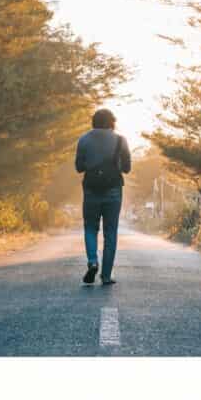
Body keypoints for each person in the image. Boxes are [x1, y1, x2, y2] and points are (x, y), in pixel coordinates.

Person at [75, 108, 131, 285]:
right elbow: (127, 168)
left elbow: (79, 167)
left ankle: (92, 261)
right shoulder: (120, 140)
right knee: (110, 232)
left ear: (94, 121)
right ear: (112, 122)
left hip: (91, 189)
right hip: (113, 190)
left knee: (91, 228)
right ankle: (106, 275)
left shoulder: (83, 139)